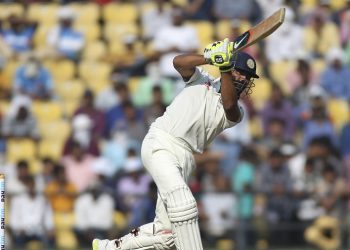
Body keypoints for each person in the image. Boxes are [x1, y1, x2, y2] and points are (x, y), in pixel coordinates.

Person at [92, 38, 260, 250]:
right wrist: (209, 58)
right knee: (185, 205)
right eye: (241, 73)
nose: (244, 79)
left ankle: (110, 247)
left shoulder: (238, 112)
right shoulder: (201, 79)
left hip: (185, 158)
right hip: (161, 142)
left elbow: (228, 103)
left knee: (167, 235)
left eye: (247, 77)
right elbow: (178, 62)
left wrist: (225, 66)